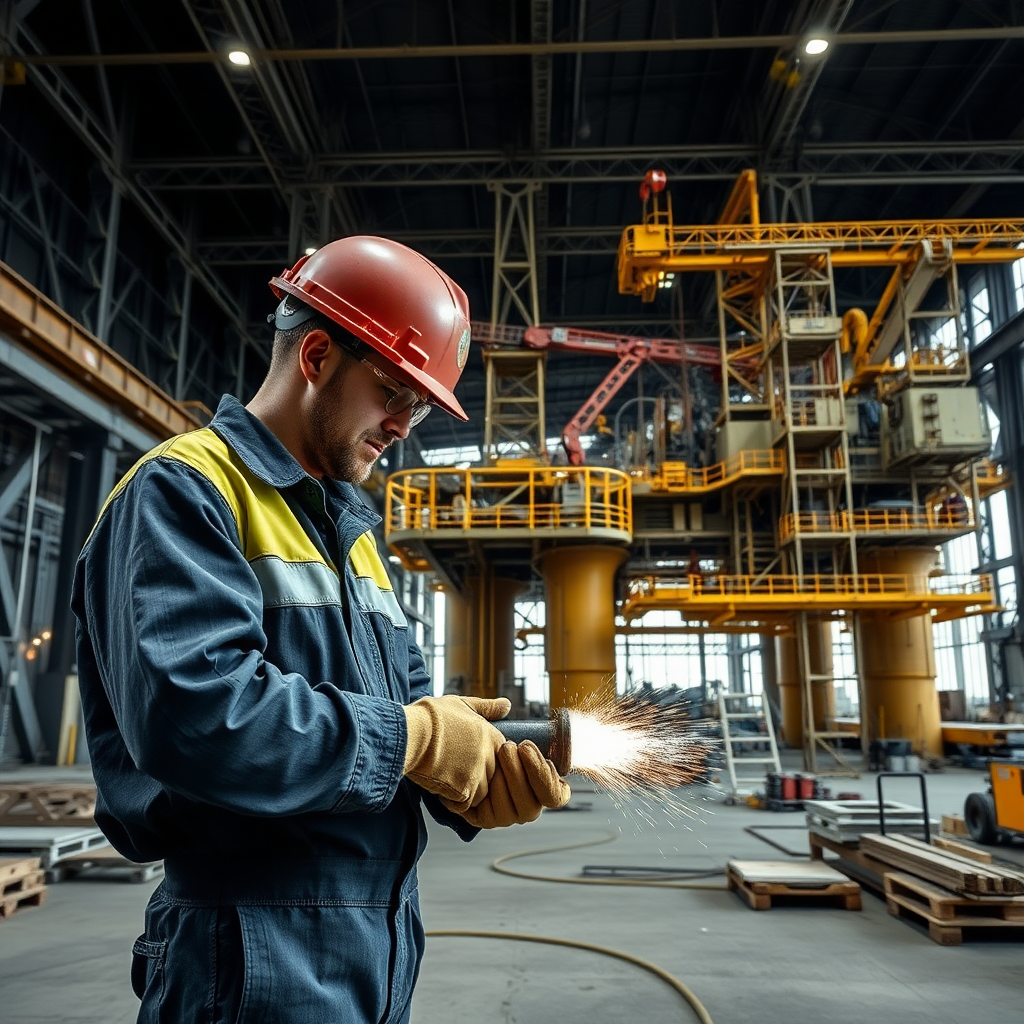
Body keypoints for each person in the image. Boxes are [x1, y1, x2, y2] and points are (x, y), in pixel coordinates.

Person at [71, 236, 571, 1024]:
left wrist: (470, 788)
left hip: (375, 948)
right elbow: (198, 715)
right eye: (394, 393)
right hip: (247, 959)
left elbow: (406, 710)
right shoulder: (184, 492)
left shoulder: (354, 535)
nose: (405, 424)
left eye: (420, 405)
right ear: (314, 354)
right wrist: (416, 742)